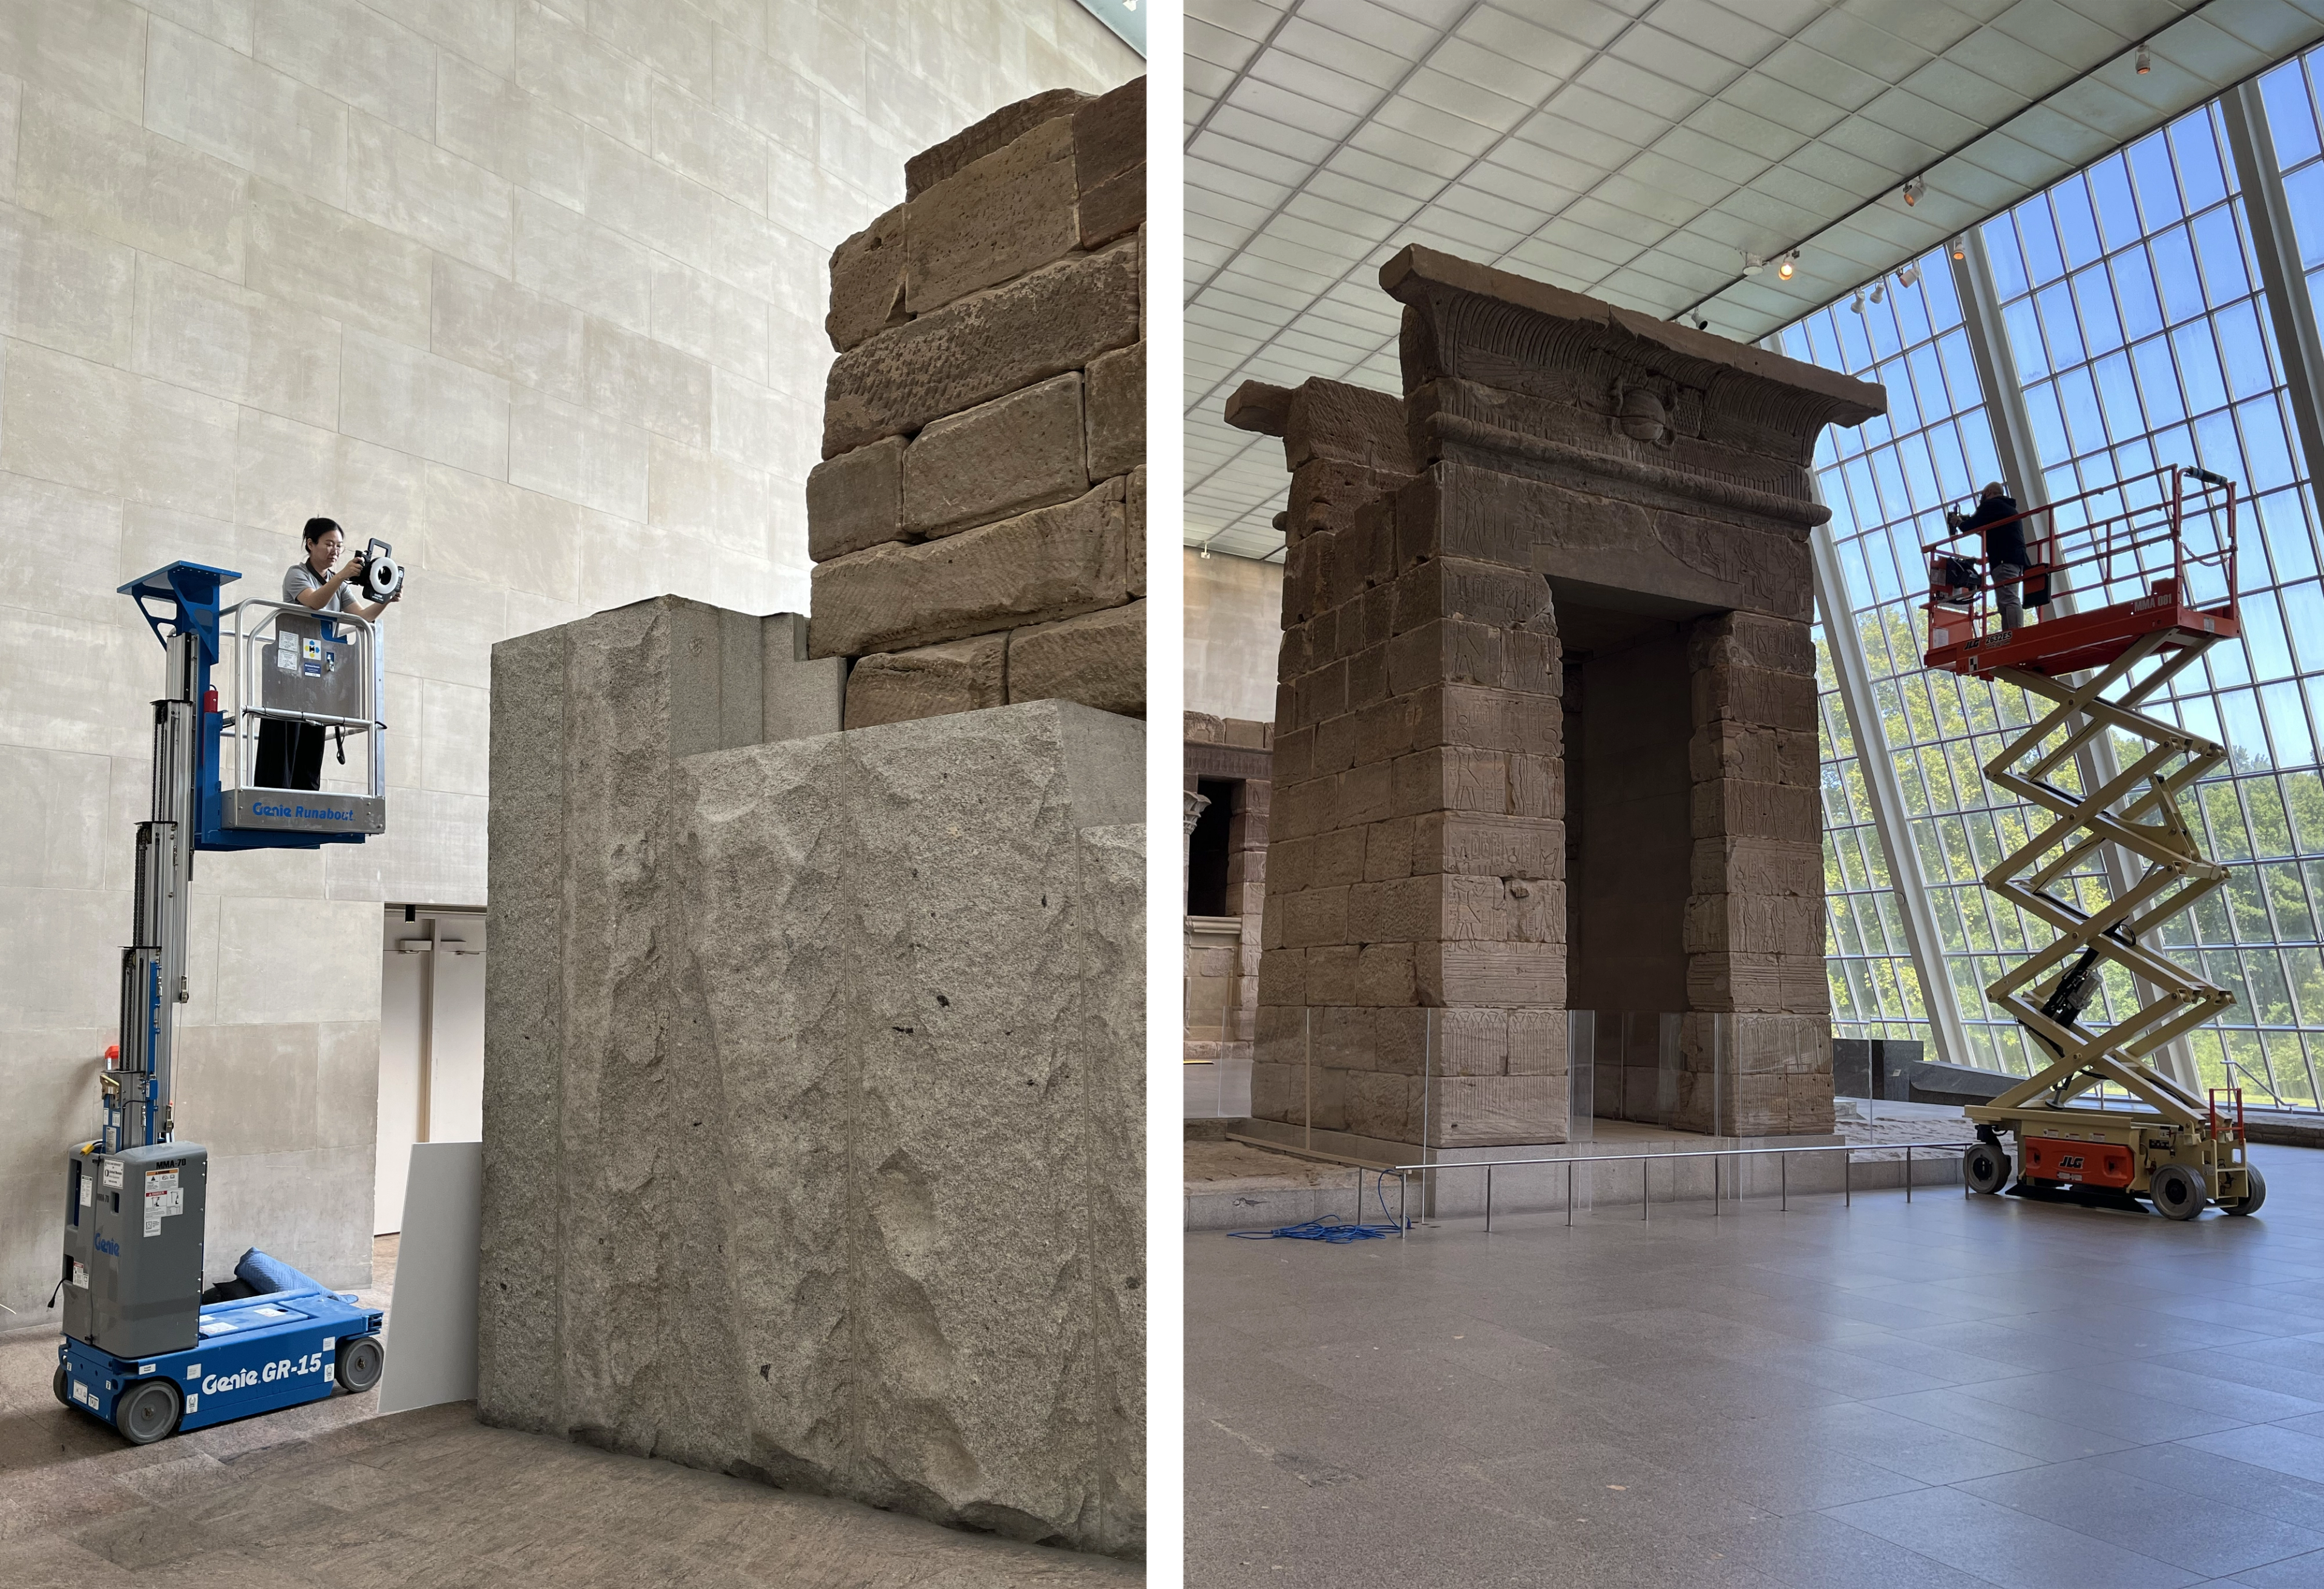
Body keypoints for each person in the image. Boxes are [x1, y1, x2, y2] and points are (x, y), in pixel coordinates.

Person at [254, 518, 401, 791]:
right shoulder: (297, 574)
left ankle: (305, 802)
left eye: (340, 546)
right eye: (329, 544)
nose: (335, 551)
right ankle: (274, 802)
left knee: (312, 743)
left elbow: (363, 618)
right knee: (284, 742)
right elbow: (314, 603)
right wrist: (343, 575)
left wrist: (385, 600)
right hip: (290, 668)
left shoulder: (340, 583)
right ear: (310, 544)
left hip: (318, 672)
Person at [1961, 481, 2029, 632]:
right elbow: (1989, 531)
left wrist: (1960, 523)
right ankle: (2010, 634)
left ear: (1990, 492)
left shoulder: (1992, 505)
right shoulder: (2008, 508)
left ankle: (2015, 633)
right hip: (2014, 559)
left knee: (2009, 599)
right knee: (2005, 600)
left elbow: (1971, 524)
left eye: (1983, 495)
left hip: (2003, 560)